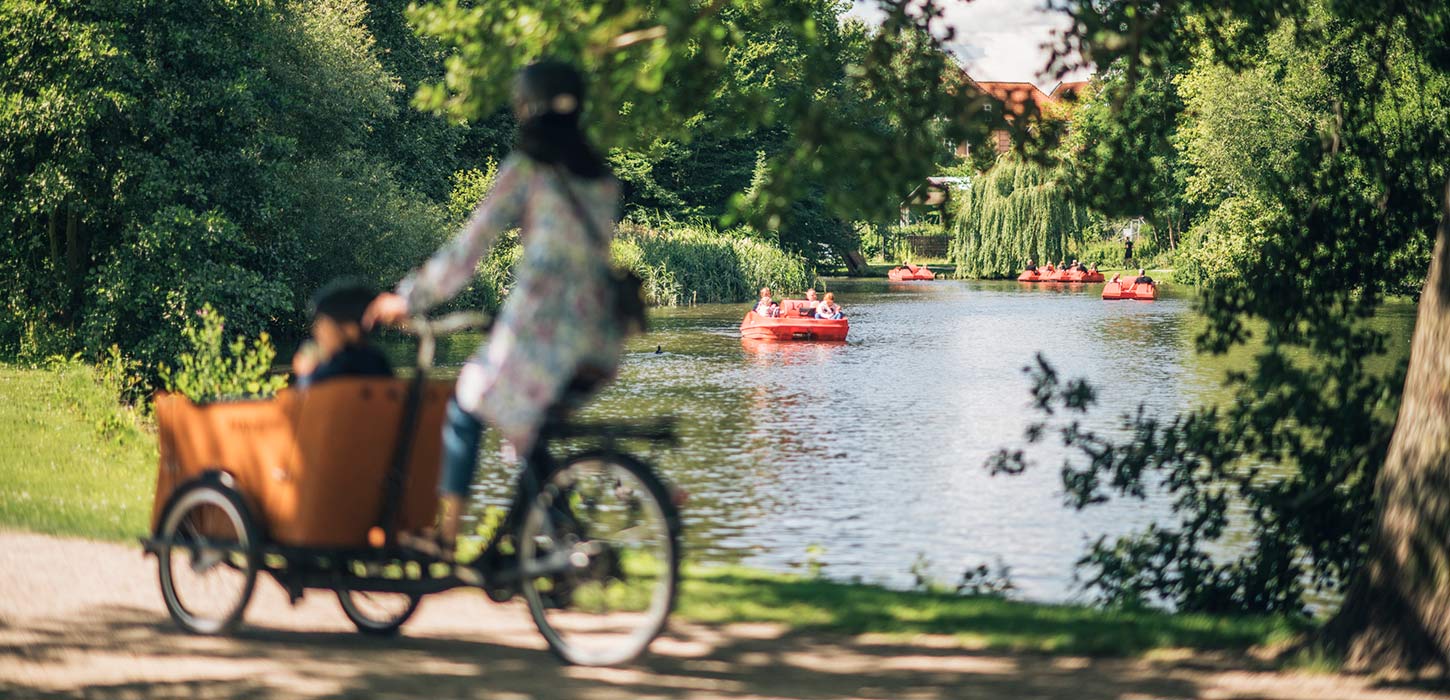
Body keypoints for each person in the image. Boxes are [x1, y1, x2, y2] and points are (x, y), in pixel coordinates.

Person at [365, 60, 623, 559]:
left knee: (466, 402)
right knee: (527, 428)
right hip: (600, 337)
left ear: (526, 108)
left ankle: (446, 535)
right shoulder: (601, 178)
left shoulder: (526, 171)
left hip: (544, 331)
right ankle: (556, 543)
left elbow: (469, 249)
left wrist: (408, 296)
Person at [292, 280, 393, 388]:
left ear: (351, 330)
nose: (317, 332)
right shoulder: (380, 363)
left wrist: (305, 374)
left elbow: (306, 398)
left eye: (324, 325)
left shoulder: (329, 371)